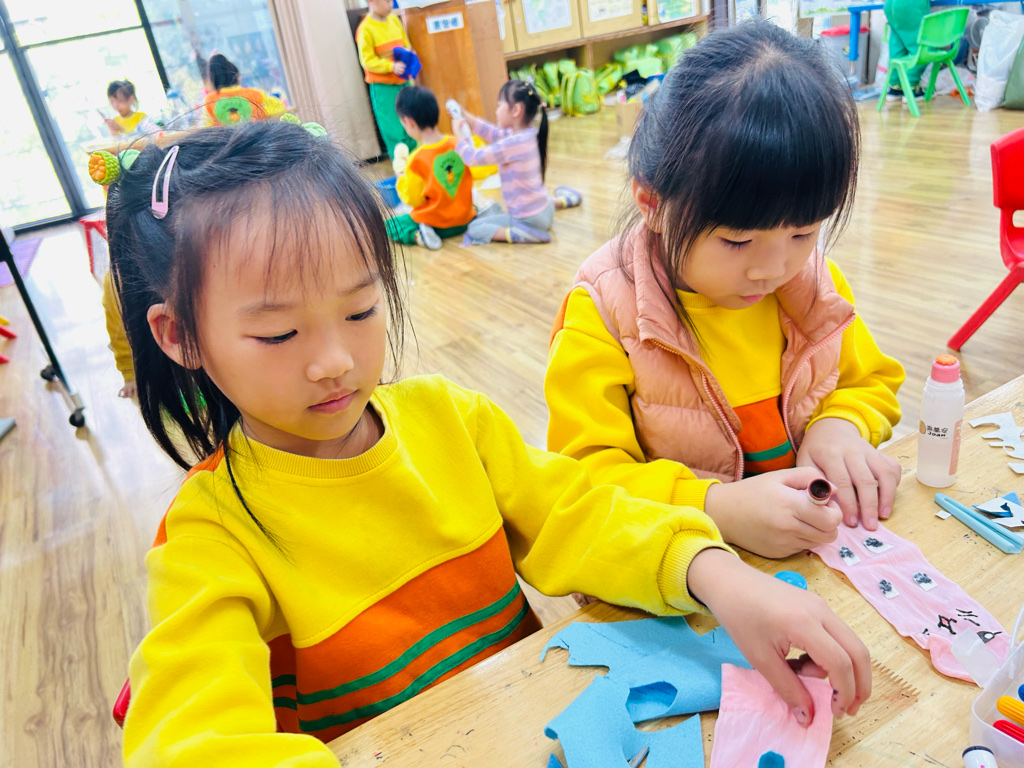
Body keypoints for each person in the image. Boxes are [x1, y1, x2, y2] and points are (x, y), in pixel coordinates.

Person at [107, 121, 870, 765]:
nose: (334, 360)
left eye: (361, 310)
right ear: (181, 337)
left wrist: (716, 574)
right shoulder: (209, 537)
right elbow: (195, 740)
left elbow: (580, 514)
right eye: (279, 333)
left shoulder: (451, 420)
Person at [545, 20, 906, 561]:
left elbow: (869, 381)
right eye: (737, 241)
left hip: (811, 560)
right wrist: (715, 506)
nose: (773, 269)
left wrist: (840, 425)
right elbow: (584, 479)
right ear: (653, 204)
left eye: (803, 233)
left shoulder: (811, 284)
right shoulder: (603, 312)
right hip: (682, 575)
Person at [453, 80, 581, 245]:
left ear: (516, 110)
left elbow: (473, 158)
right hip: (545, 210)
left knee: (475, 228)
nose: (496, 110)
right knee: (534, 199)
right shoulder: (527, 134)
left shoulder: (511, 144)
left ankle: (523, 234)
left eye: (500, 105)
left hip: (528, 220)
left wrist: (458, 133)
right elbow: (492, 133)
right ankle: (566, 200)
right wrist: (465, 116)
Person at [387, 86, 485, 250]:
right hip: (465, 218)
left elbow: (413, 199)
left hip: (437, 224)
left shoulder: (416, 160)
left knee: (391, 225)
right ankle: (479, 215)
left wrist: (400, 177)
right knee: (472, 206)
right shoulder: (457, 144)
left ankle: (419, 236)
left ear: (409, 122)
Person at [356, 0, 417, 159]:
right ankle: (402, 167)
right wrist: (390, 66)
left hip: (403, 83)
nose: (390, 4)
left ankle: (417, 163)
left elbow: (406, 44)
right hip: (384, 88)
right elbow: (367, 61)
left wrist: (410, 55)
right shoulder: (366, 28)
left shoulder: (394, 20)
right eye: (386, 1)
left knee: (412, 124)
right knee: (393, 130)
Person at [202, 53, 287, 126]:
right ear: (236, 76)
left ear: (213, 79)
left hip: (228, 141)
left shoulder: (209, 101)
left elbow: (205, 128)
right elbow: (280, 107)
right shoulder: (254, 94)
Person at [883, 0, 931, 101]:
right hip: (910, 5)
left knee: (897, 46)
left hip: (891, 5)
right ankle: (911, 87)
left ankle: (895, 87)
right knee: (920, 46)